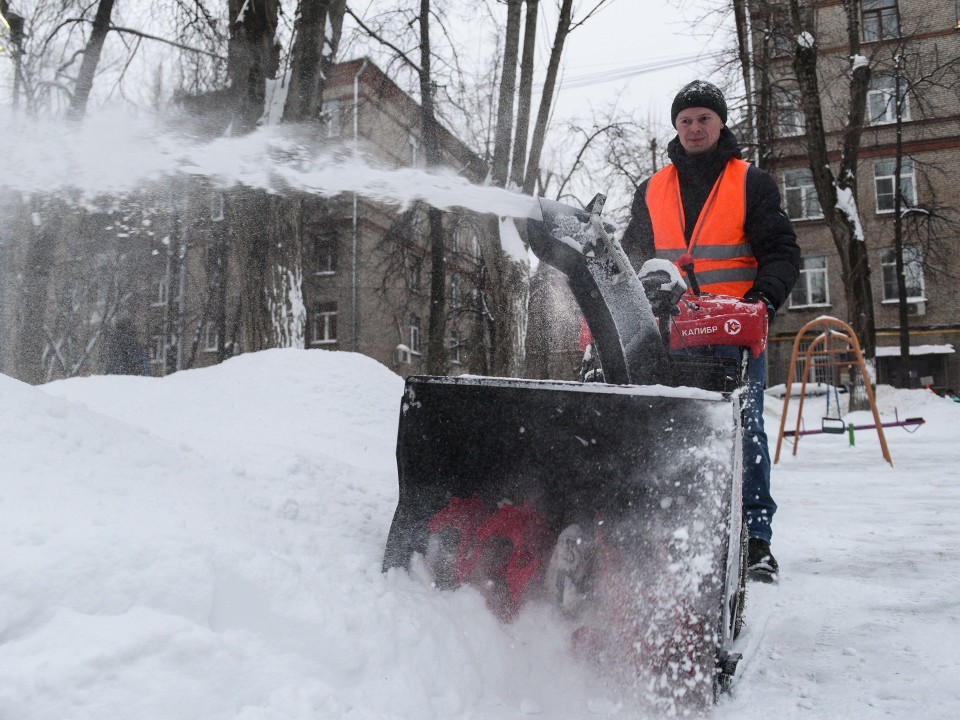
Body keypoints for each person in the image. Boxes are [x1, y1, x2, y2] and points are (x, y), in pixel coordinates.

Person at [621, 80, 800, 581]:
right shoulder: (652, 189)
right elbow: (631, 255)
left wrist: (762, 300)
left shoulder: (752, 182)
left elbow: (782, 252)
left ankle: (755, 539)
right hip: (668, 331)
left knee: (743, 429)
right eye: (686, 120)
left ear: (720, 124)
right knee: (660, 424)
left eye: (704, 118)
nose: (695, 128)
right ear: (675, 128)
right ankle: (663, 528)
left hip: (733, 330)